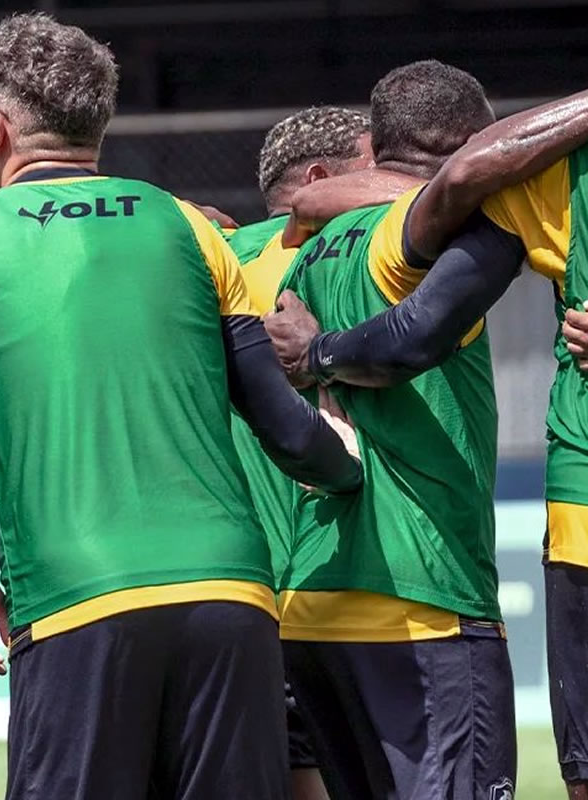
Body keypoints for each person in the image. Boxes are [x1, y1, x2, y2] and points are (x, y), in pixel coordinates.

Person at [0, 14, 362, 800]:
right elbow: (281, 422)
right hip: (229, 592)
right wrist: (342, 464)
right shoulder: (188, 225)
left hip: (77, 598)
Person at [265, 84, 588, 797]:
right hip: (422, 600)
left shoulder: (293, 254)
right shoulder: (410, 240)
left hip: (312, 600)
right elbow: (415, 326)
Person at [224, 105, 372, 800]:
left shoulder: (213, 254)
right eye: (373, 168)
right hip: (337, 585)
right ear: (318, 181)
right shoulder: (347, 251)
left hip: (240, 592)